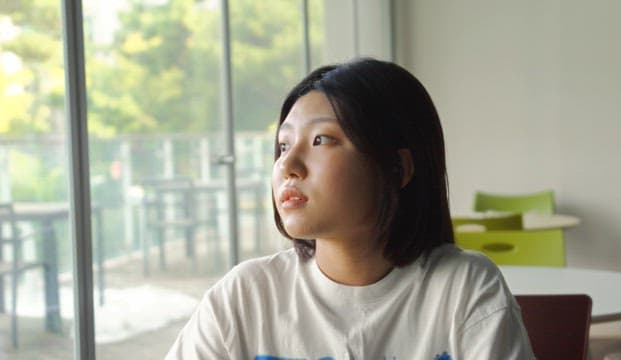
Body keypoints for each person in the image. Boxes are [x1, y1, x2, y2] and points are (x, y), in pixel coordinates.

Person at [166, 58, 534, 359]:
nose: (288, 164)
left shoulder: (464, 289)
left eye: (321, 139)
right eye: (282, 145)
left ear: (397, 167)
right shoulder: (245, 297)